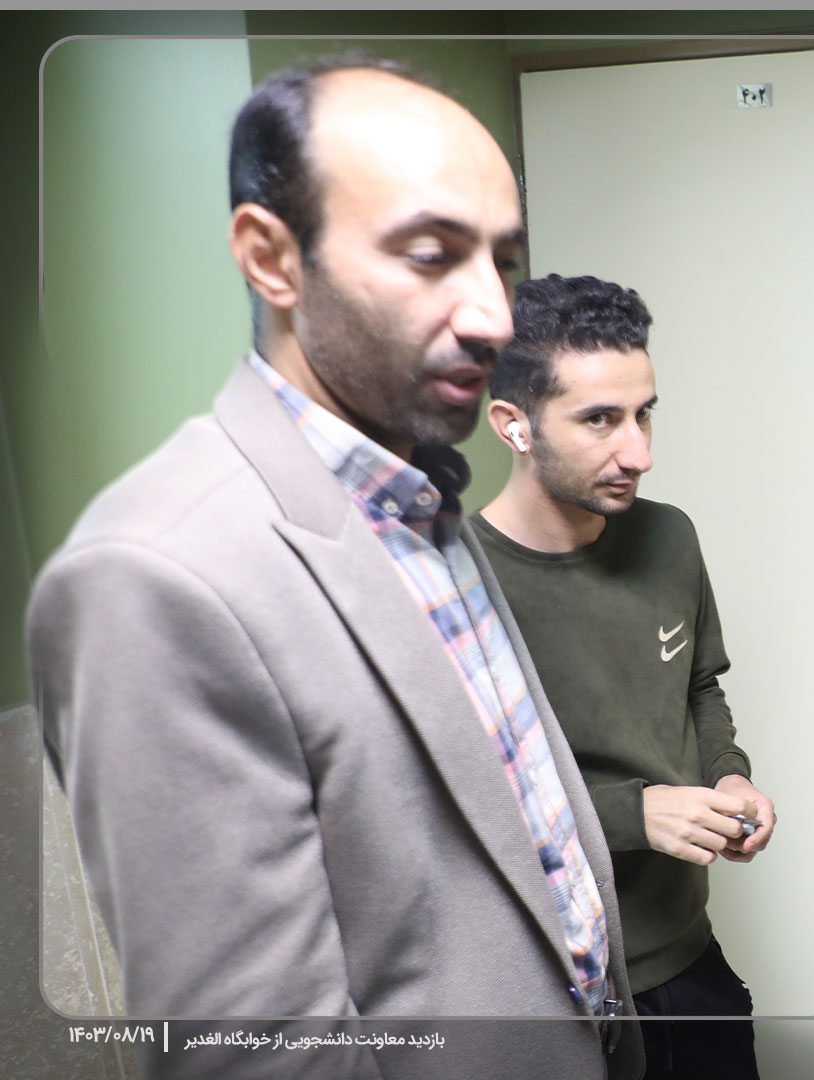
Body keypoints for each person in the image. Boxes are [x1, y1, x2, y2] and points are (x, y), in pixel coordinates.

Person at [27, 57, 634, 1076]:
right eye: (432, 255)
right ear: (271, 258)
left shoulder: (420, 487)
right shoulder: (153, 577)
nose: (495, 316)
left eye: (503, 261)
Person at [469, 272, 772, 1079]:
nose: (638, 453)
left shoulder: (670, 538)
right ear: (513, 425)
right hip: (552, 984)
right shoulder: (456, 585)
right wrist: (634, 814)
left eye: (644, 414)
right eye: (599, 419)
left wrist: (729, 775)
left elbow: (699, 687)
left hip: (688, 958)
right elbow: (459, 807)